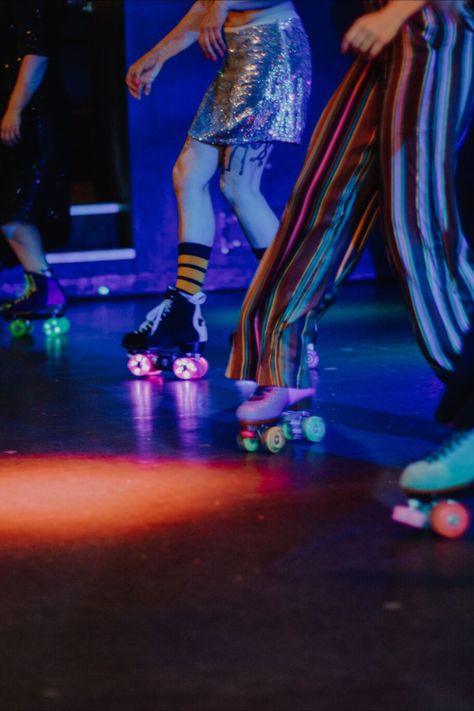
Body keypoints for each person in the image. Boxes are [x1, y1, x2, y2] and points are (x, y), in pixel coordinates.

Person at [226, 0, 474, 446]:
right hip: (385, 33)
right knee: (321, 195)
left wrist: (394, 12)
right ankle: (281, 366)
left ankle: (471, 389)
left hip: (432, 24)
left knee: (416, 221)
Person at [121, 0, 312, 362]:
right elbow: (206, 7)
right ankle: (184, 312)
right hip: (238, 57)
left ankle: (290, 315)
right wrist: (158, 55)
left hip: (272, 47)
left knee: (239, 185)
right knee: (188, 174)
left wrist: (223, 4)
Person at [0, 0, 70, 323]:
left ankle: (44, 286)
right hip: (17, 105)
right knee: (11, 206)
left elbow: (36, 51)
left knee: (15, 205)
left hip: (30, 110)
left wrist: (15, 108)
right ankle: (40, 285)